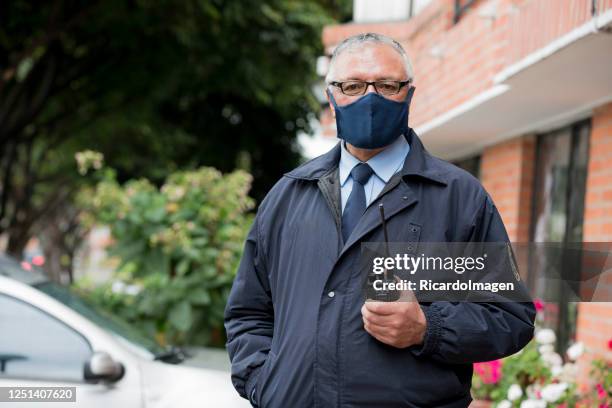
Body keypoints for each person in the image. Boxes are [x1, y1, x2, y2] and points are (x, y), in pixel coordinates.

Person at [224, 32, 535, 408]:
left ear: (409, 94)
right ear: (332, 97)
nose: (370, 98)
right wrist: (263, 383)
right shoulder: (288, 196)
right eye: (353, 85)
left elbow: (510, 317)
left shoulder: (459, 198)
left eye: (388, 85)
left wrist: (428, 328)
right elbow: (249, 311)